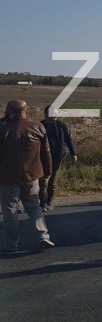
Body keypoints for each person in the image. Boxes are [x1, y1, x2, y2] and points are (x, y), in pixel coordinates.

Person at [0, 100, 55, 253]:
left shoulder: (2, 130)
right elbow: (46, 152)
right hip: (32, 176)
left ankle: (12, 245)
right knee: (34, 207)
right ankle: (43, 235)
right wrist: (47, 172)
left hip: (7, 178)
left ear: (8, 112)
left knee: (10, 212)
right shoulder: (38, 127)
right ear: (26, 111)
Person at [39, 106, 77, 211]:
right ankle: (42, 202)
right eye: (52, 115)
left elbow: (68, 140)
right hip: (42, 157)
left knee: (52, 181)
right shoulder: (40, 126)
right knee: (42, 181)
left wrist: (73, 153)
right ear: (46, 114)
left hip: (57, 157)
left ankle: (49, 201)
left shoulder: (62, 125)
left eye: (55, 116)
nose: (54, 118)